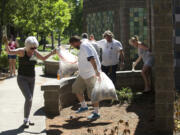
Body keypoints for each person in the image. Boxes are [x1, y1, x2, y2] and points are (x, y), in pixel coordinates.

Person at [3, 36, 56, 128]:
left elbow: (43, 58)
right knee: (29, 98)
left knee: (29, 100)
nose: (34, 49)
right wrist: (6, 44)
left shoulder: (35, 52)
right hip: (22, 78)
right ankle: (26, 120)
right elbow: (10, 52)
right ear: (27, 46)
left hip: (32, 79)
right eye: (32, 48)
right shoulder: (22, 51)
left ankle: (26, 119)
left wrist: (52, 52)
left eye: (35, 47)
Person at [69, 36, 101, 120]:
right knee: (76, 88)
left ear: (75, 42)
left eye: (72, 45)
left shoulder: (84, 46)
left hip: (91, 74)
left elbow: (91, 58)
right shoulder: (83, 43)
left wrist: (96, 71)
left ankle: (96, 113)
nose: (73, 47)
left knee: (92, 95)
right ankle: (84, 106)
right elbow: (85, 58)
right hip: (83, 74)